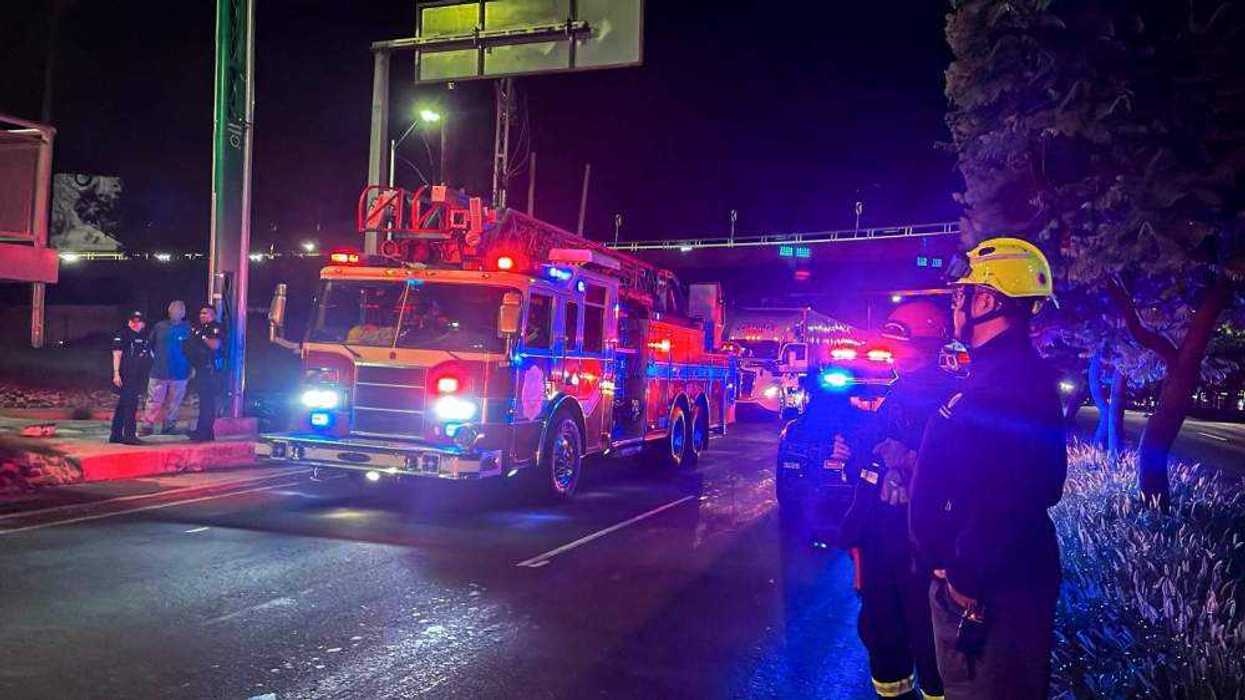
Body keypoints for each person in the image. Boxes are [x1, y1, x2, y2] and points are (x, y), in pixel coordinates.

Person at [908, 238, 1067, 699]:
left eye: (963, 295)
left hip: (987, 594)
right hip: (987, 586)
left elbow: (1016, 492)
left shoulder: (1008, 384)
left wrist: (963, 579)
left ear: (988, 300)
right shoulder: (999, 375)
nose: (955, 306)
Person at [837, 300, 958, 700]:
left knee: (933, 646)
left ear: (929, 347)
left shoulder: (951, 402)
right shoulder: (894, 396)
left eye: (905, 347)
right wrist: (857, 456)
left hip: (923, 548)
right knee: (883, 639)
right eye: (894, 347)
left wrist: (909, 464)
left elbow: (966, 471)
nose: (897, 356)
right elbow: (869, 458)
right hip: (880, 542)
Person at [142, 300, 192, 434]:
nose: (175, 313)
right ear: (169, 312)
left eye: (179, 311)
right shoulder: (159, 327)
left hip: (180, 373)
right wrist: (156, 360)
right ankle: (147, 425)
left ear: (183, 313)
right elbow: (149, 345)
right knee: (154, 401)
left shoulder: (188, 329)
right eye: (173, 310)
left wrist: (190, 367)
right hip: (159, 372)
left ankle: (169, 425)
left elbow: (193, 350)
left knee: (174, 402)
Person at [109, 311, 154, 445]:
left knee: (123, 405)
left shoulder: (145, 337)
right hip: (126, 375)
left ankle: (116, 435)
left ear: (143, 324)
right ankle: (129, 435)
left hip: (137, 376)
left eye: (138, 321)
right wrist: (116, 373)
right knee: (130, 405)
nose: (135, 324)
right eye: (132, 321)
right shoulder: (123, 334)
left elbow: (148, 355)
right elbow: (117, 354)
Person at [186, 305, 225, 442]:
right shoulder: (199, 329)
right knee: (204, 402)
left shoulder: (215, 327)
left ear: (213, 315)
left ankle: (204, 432)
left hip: (211, 371)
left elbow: (215, 345)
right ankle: (205, 432)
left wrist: (202, 337)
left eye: (205, 313)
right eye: (201, 313)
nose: (202, 316)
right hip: (201, 369)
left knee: (208, 402)